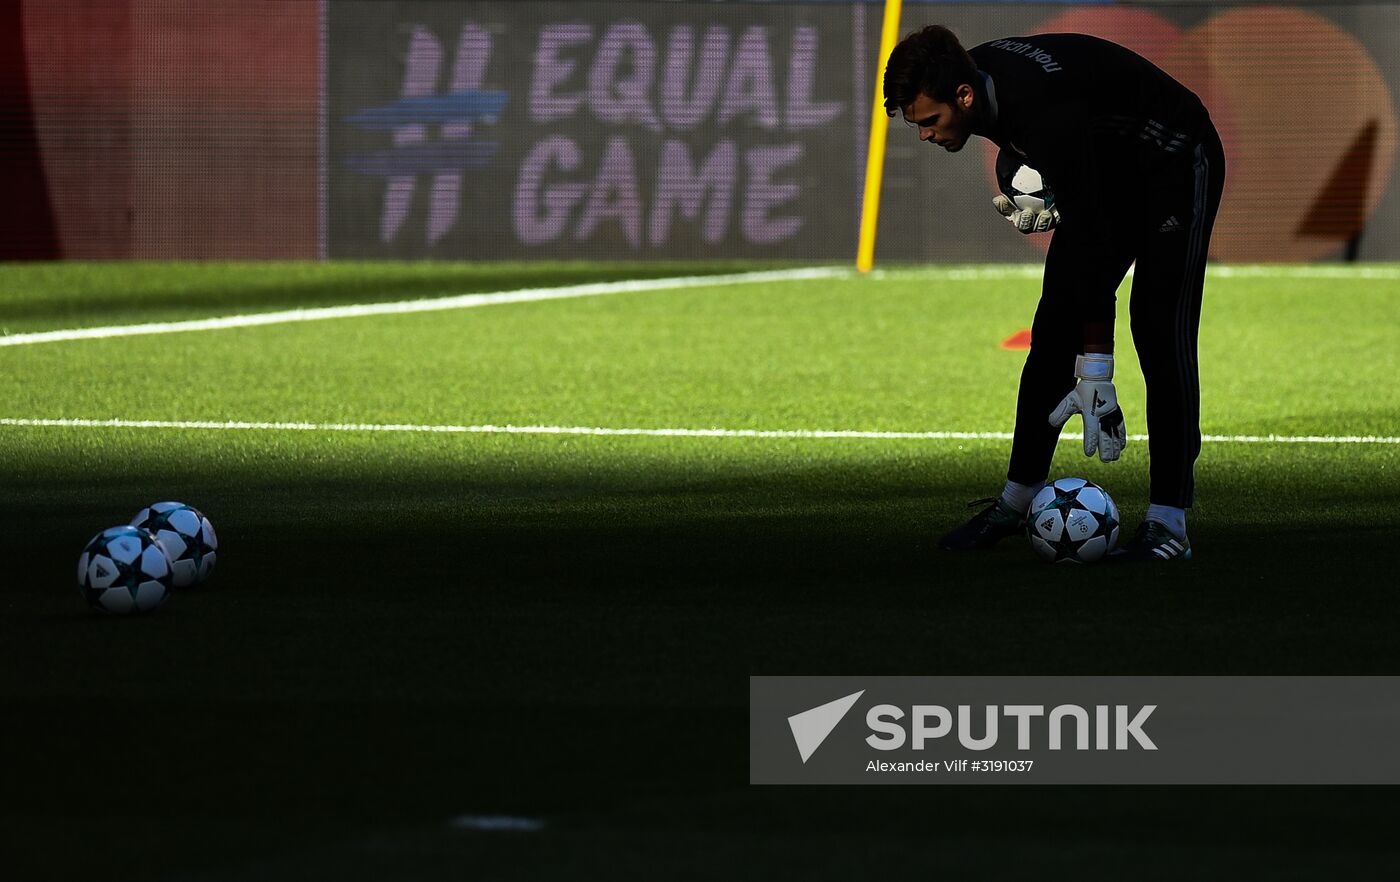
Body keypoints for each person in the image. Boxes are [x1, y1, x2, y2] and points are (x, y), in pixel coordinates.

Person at [883, 26, 1225, 562]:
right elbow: (1018, 143)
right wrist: (1021, 182)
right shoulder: (968, 74)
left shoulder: (1042, 105)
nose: (924, 135)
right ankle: (1013, 504)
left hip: (1173, 163)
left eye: (930, 121)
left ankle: (1169, 525)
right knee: (1052, 329)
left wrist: (1097, 372)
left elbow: (1089, 240)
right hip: (1105, 166)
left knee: (1160, 328)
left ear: (964, 98)